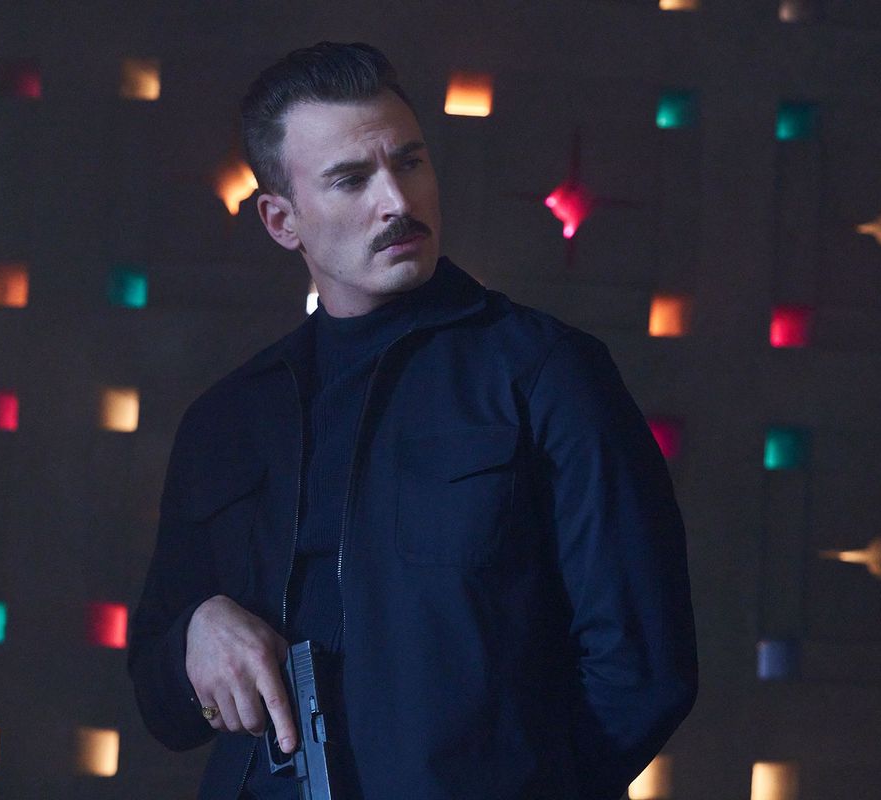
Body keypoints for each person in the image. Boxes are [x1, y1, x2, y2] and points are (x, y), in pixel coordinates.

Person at [128, 42, 697, 800]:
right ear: (281, 220)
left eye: (410, 162)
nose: (396, 201)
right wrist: (196, 632)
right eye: (350, 179)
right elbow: (158, 700)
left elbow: (644, 670)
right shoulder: (226, 419)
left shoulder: (548, 374)